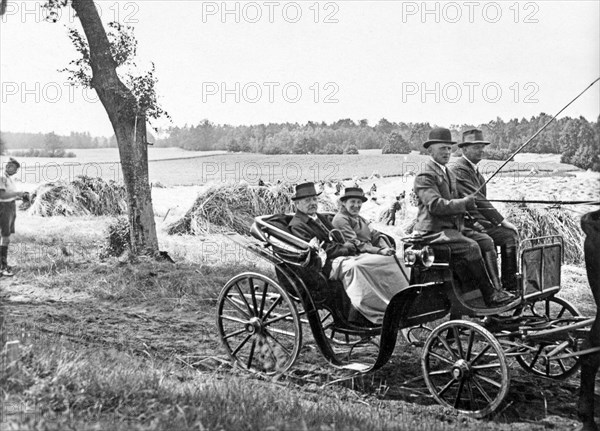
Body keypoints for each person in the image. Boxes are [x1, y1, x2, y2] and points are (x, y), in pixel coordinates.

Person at [412, 128, 515, 307]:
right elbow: (435, 206)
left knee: (486, 241)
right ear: (430, 150)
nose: (446, 152)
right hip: (433, 232)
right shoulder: (425, 175)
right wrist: (464, 203)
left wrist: (473, 220)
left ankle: (498, 289)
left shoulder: (448, 173)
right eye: (442, 148)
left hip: (453, 229)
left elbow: (461, 204)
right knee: (471, 246)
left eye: (448, 149)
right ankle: (489, 295)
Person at [288, 183, 410, 324]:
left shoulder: (319, 218)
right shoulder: (297, 225)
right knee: (358, 266)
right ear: (297, 204)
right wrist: (345, 248)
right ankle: (365, 312)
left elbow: (338, 238)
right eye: (307, 200)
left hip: (340, 257)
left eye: (314, 199)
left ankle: (395, 302)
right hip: (323, 265)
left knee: (384, 261)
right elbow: (315, 250)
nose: (313, 203)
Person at [449, 129, 519, 291]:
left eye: (482, 146)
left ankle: (510, 285)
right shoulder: (459, 169)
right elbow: (477, 200)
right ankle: (495, 288)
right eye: (476, 147)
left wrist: (489, 222)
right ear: (464, 149)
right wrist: (502, 221)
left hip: (477, 223)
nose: (481, 150)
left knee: (509, 236)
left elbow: (479, 203)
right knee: (504, 234)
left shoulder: (475, 172)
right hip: (463, 226)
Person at [0, 158, 28, 277]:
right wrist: (17, 194)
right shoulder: (2, 177)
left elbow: (8, 195)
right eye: (15, 169)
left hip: (9, 206)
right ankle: (2, 267)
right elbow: (1, 195)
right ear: (9, 166)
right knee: (5, 237)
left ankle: (3, 264)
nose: (16, 172)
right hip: (4, 207)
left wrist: (20, 197)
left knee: (6, 236)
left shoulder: (7, 177)